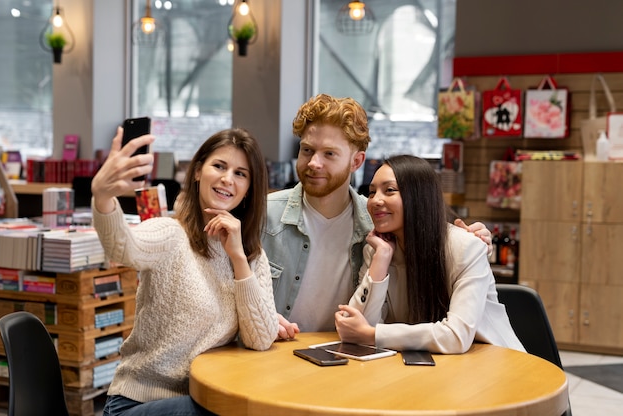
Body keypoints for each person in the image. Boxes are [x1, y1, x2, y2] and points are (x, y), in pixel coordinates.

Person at [262, 93, 492, 339]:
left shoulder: (379, 223)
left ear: (357, 161)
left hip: (343, 357)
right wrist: (259, 316)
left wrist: (477, 241)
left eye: (329, 154)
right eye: (307, 150)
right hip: (273, 354)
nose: (313, 163)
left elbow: (430, 231)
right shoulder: (263, 216)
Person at [92, 127, 279, 416]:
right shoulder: (170, 234)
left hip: (200, 398)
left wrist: (239, 258)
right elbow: (122, 248)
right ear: (197, 172)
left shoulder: (251, 255)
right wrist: (103, 199)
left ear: (248, 190)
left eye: (241, 173)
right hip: (137, 403)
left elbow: (261, 339)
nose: (227, 179)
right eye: (219, 166)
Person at [334, 155, 524, 353]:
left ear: (419, 196)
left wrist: (373, 335)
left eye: (389, 190)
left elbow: (456, 337)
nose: (375, 200)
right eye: (372, 192)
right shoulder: (377, 249)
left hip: (494, 364)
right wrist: (381, 259)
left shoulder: (466, 247)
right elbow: (355, 325)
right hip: (428, 366)